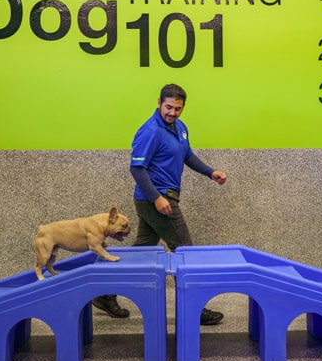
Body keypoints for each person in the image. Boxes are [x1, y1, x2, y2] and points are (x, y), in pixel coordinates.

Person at [92, 83, 227, 325]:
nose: (172, 113)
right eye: (168, 107)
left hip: (162, 198)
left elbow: (187, 155)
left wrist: (210, 172)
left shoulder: (179, 127)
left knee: (141, 252)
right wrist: (156, 198)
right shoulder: (150, 131)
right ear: (158, 103)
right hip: (155, 199)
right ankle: (195, 308)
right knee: (186, 251)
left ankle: (104, 294)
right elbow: (137, 168)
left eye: (178, 109)